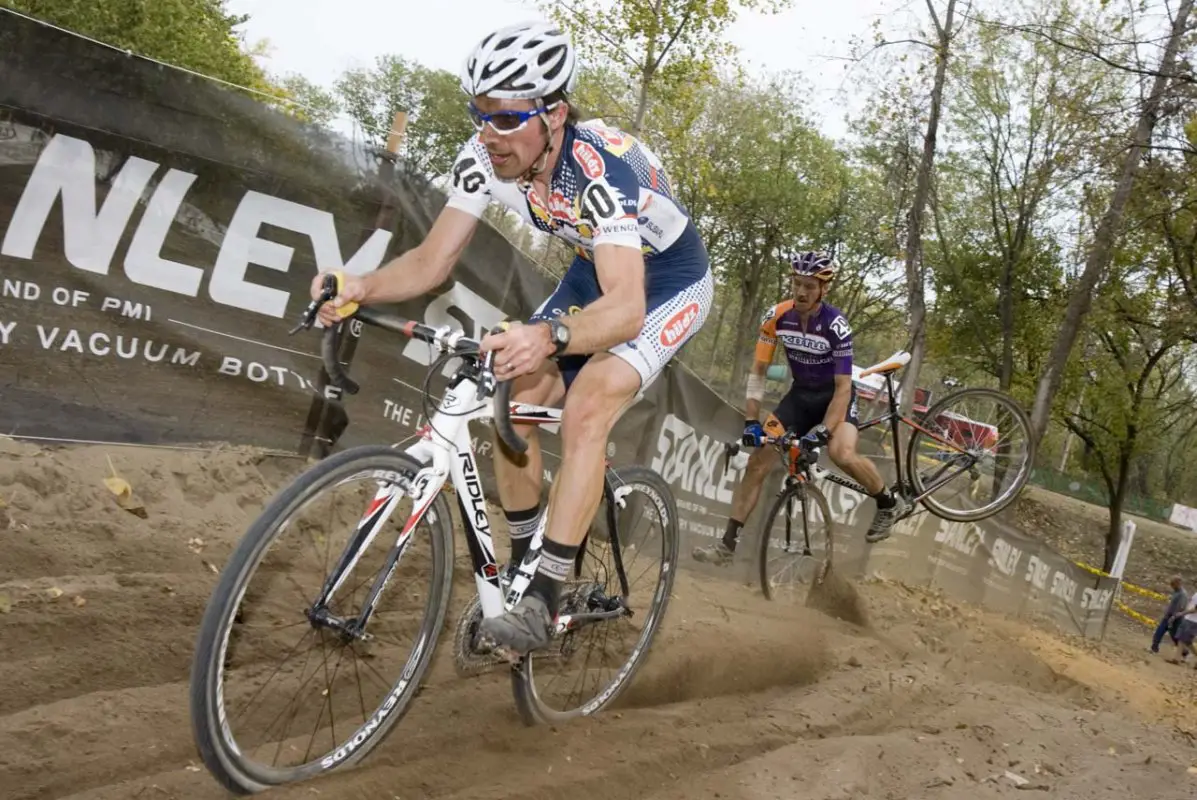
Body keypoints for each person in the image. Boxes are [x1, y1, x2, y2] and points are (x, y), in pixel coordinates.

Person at [309, 21, 714, 658]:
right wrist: (356, 284)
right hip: (597, 264)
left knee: (586, 408)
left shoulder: (599, 170)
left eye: (504, 119)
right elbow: (430, 263)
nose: (485, 135)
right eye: (479, 114)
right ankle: (528, 569)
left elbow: (628, 308)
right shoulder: (483, 160)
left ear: (553, 115)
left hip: (665, 280)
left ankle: (546, 599)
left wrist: (551, 334)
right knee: (510, 397)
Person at [693, 251, 911, 566]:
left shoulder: (835, 325)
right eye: (797, 283)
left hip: (834, 399)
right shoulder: (777, 317)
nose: (801, 292)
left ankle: (887, 502)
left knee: (841, 453)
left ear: (824, 289)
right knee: (757, 463)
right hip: (799, 397)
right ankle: (727, 546)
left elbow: (843, 387)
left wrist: (824, 430)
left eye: (809, 286)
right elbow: (758, 372)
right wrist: (752, 420)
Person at [1150, 575, 1187, 654]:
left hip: (1175, 618)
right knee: (1159, 631)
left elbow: (1181, 608)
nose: (1171, 586)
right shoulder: (1176, 592)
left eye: (1172, 584)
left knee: (1175, 637)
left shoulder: (1182, 594)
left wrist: (1173, 617)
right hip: (1168, 616)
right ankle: (1154, 648)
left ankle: (1184, 652)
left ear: (1177, 583)